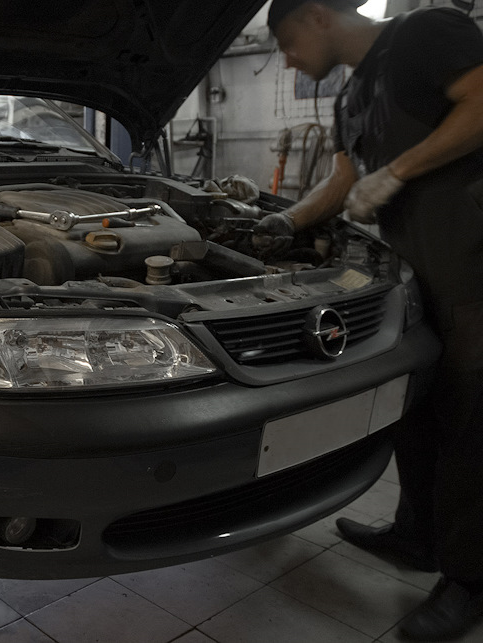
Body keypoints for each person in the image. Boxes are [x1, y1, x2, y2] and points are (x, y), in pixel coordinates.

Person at [257, 0, 483, 639]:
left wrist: (398, 172)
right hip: (418, 276)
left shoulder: (425, 32)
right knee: (421, 406)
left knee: (472, 424)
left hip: (474, 269)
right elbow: (344, 179)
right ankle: (417, 536)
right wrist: (285, 221)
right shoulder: (351, 97)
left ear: (317, 15)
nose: (287, 60)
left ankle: (469, 581)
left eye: (287, 42)